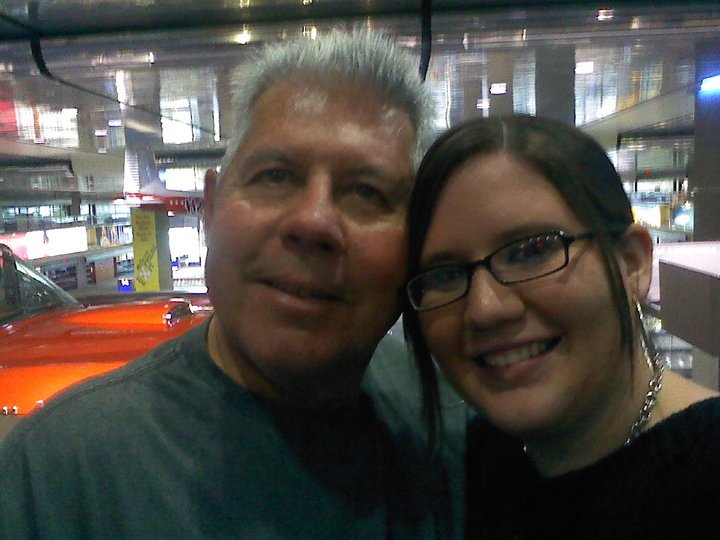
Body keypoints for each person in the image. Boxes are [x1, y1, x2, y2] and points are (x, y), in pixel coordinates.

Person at [0, 31, 466, 539]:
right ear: (212, 208)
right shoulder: (56, 477)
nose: (313, 222)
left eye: (368, 192)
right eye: (275, 177)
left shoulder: (451, 426)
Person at [402, 115, 720, 538]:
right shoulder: (470, 469)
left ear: (632, 263)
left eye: (531, 251)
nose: (484, 309)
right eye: (444, 275)